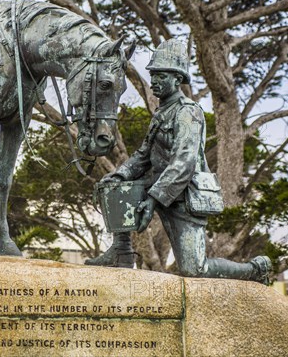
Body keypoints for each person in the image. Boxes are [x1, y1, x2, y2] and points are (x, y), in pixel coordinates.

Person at [86, 39, 271, 284]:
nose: (154, 82)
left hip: (183, 196)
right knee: (114, 185)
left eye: (161, 76)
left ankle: (254, 269)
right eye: (153, 75)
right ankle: (121, 251)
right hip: (157, 186)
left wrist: (152, 199)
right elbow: (143, 155)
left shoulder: (187, 112)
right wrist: (121, 174)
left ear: (177, 78)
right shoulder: (162, 112)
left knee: (195, 269)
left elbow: (183, 163)